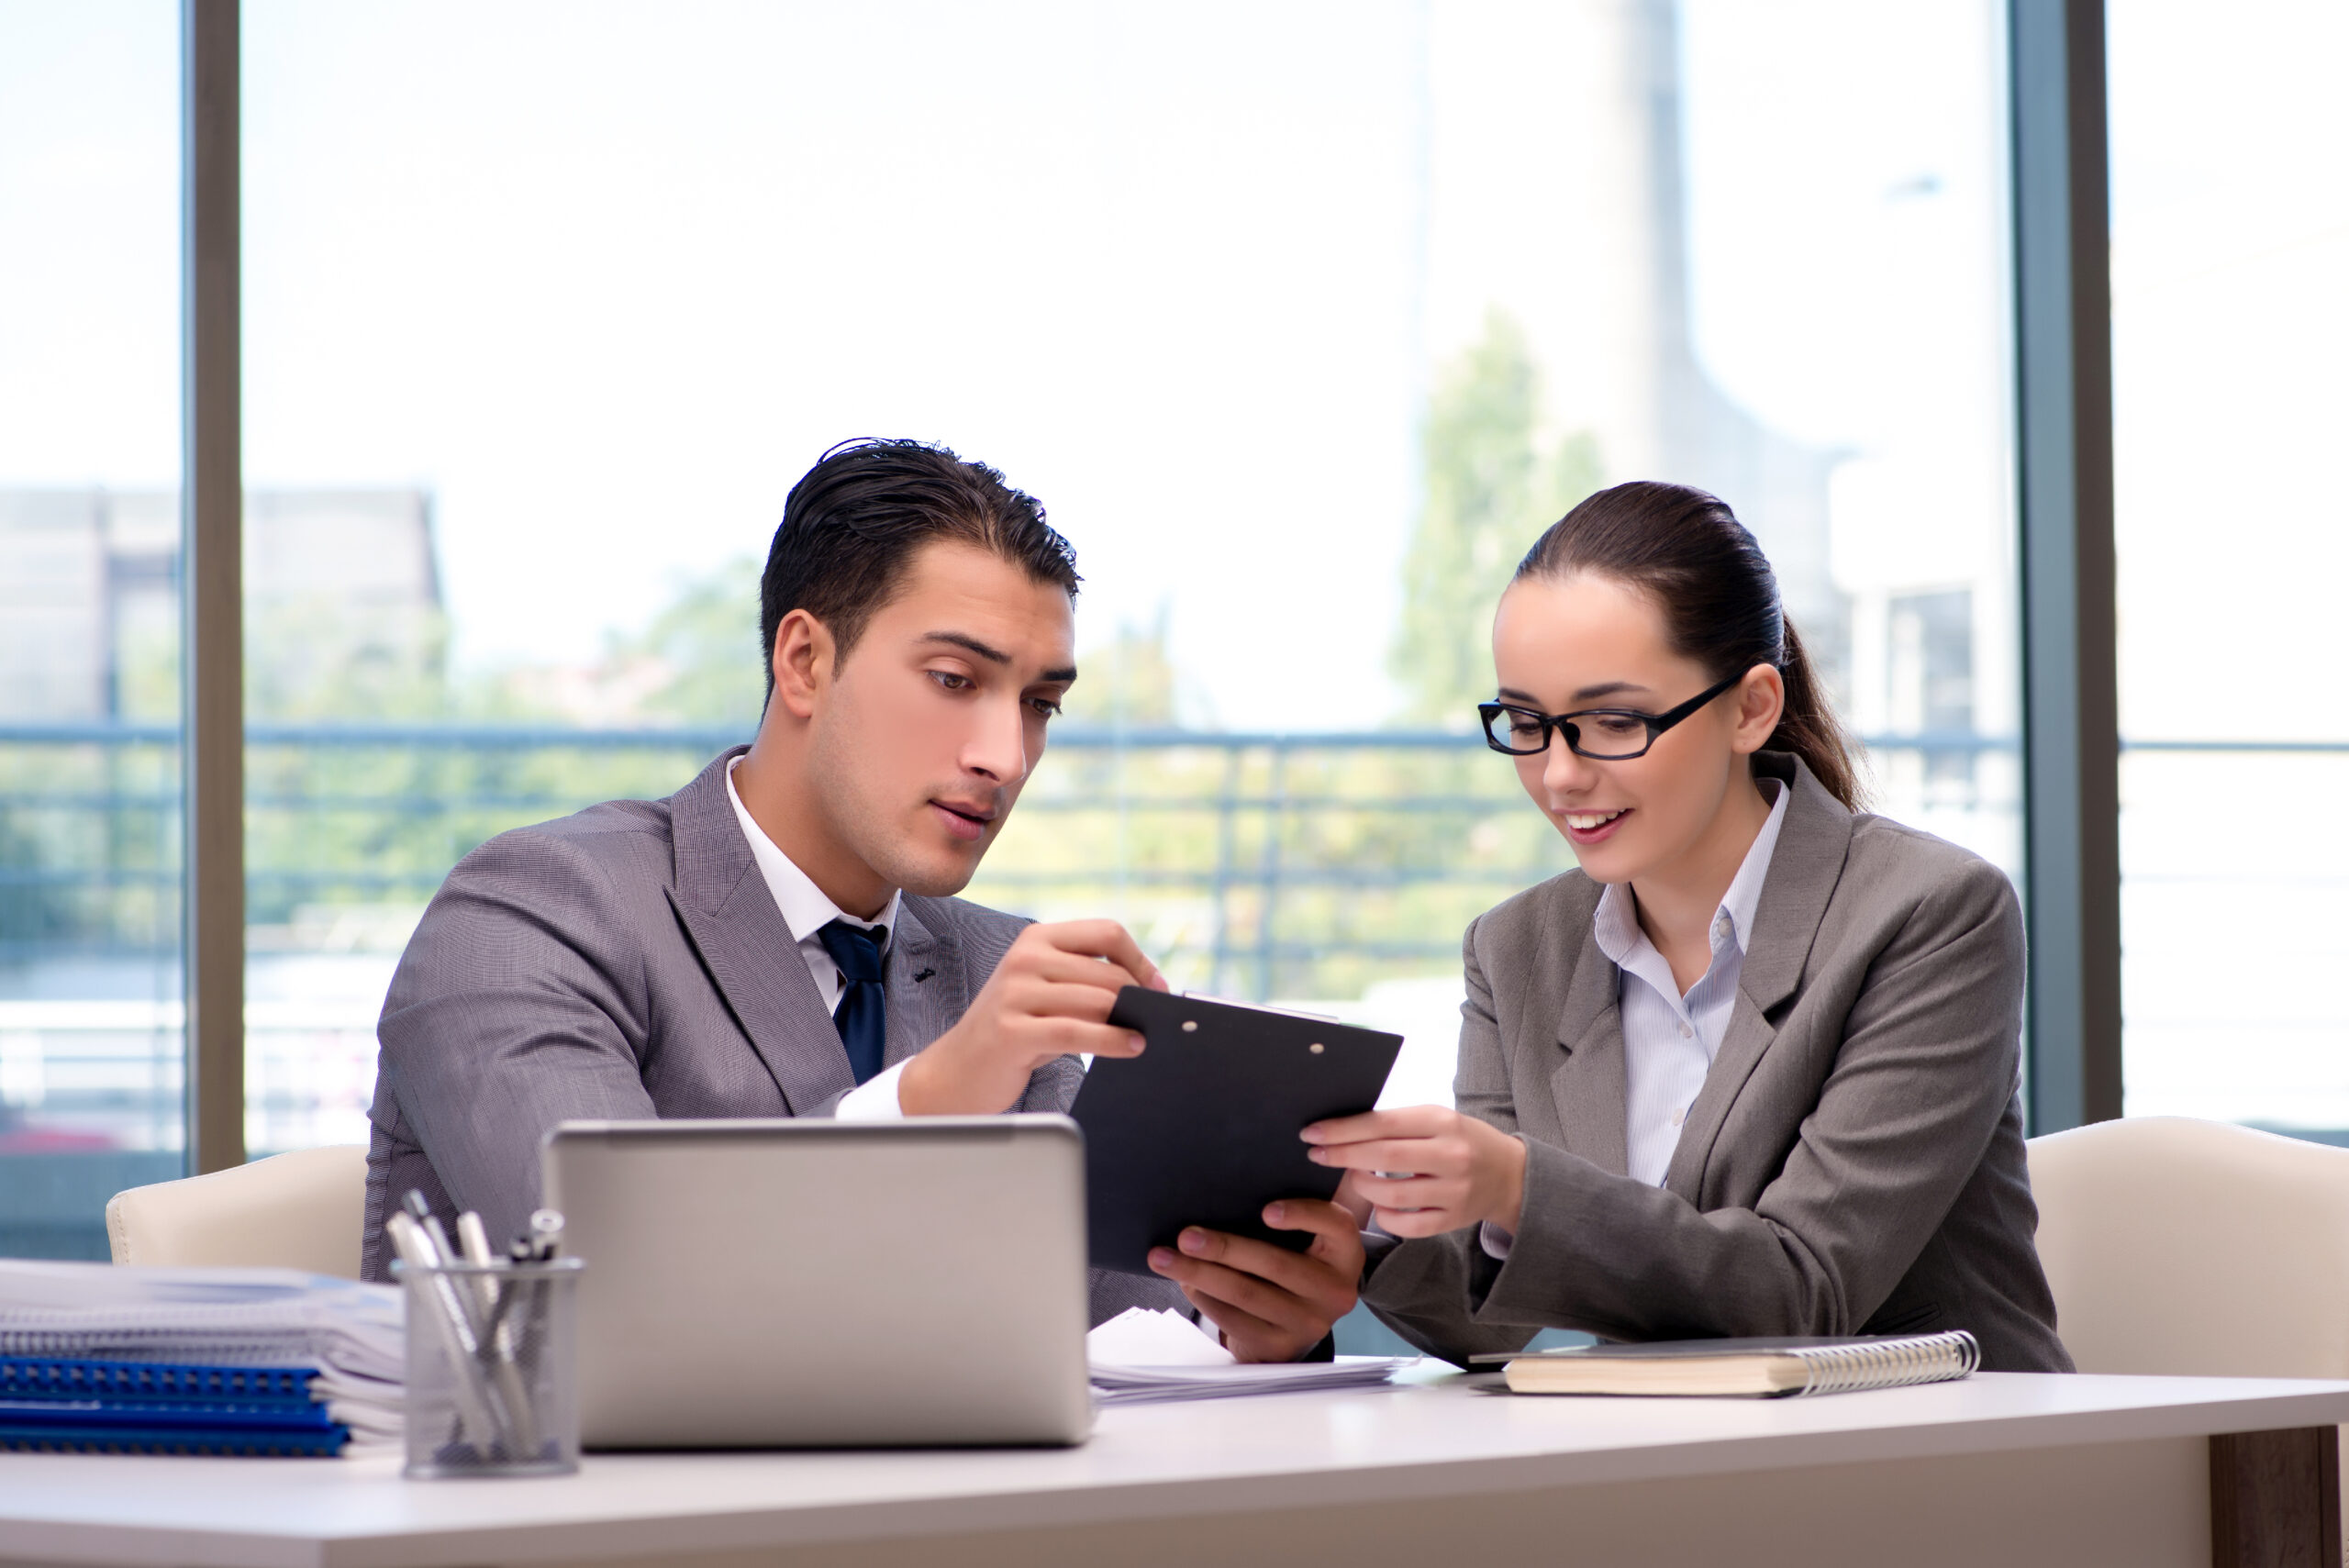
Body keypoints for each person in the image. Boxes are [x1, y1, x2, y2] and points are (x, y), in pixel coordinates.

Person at [362, 439, 1361, 1362]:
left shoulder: (1009, 975)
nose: (1004, 756)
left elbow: (1125, 1323)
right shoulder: (530, 916)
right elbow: (610, 1277)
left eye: (1038, 704)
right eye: (952, 677)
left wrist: (1247, 1318)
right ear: (804, 661)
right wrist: (930, 1098)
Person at [1307, 481, 2071, 1373]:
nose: (1557, 774)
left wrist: (1516, 1184)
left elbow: (1804, 1287)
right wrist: (1352, 1256)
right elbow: (1486, 1313)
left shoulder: (1929, 911)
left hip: (1943, 1457)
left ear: (1750, 706)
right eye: (1526, 721)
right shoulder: (1516, 946)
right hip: (1674, 1464)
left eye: (1612, 721)